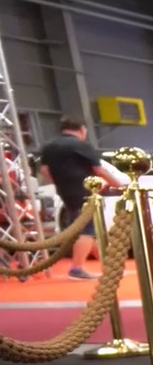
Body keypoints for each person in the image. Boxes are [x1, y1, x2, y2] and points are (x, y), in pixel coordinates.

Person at [37, 117, 124, 280]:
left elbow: (45, 171)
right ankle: (77, 268)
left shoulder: (49, 147)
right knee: (87, 230)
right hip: (85, 191)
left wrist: (62, 181)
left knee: (84, 229)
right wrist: (119, 185)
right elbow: (99, 169)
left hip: (65, 192)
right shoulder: (81, 145)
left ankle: (111, 264)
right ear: (82, 129)